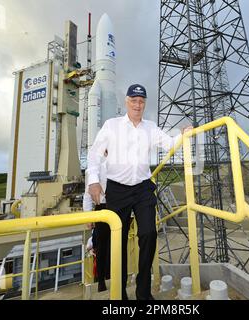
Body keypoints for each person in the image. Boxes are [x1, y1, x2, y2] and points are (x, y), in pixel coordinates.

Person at [87, 84, 192, 300]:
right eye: (133, 100)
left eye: (141, 101)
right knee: (120, 240)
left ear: (144, 103)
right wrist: (94, 182)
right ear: (126, 102)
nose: (137, 104)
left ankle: (143, 291)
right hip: (117, 189)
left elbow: (170, 144)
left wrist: (183, 135)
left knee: (149, 234)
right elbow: (95, 154)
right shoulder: (112, 125)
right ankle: (120, 292)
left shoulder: (150, 128)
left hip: (143, 187)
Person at [83, 151, 110, 292]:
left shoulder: (119, 161)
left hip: (118, 206)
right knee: (101, 246)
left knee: (117, 245)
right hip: (102, 208)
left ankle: (111, 275)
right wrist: (88, 216)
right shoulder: (93, 168)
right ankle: (101, 281)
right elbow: (87, 195)